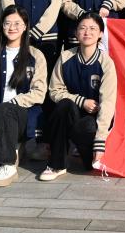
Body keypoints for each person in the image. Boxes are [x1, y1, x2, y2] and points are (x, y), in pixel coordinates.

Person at [0, 5, 48, 188]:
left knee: (6, 109)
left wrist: (11, 104)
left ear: (25, 26)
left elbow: (39, 92)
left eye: (17, 23)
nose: (12, 27)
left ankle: (7, 165)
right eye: (7, 23)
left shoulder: (35, 56)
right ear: (2, 26)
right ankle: (15, 148)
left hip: (23, 115)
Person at [40, 13, 117, 181]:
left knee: (87, 127)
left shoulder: (106, 63)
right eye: (82, 28)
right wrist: (81, 101)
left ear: (100, 34)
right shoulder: (66, 57)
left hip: (93, 121)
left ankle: (86, 155)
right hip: (72, 114)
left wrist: (100, 141)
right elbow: (54, 90)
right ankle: (56, 164)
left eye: (92, 28)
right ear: (76, 33)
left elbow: (108, 102)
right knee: (64, 105)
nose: (87, 32)